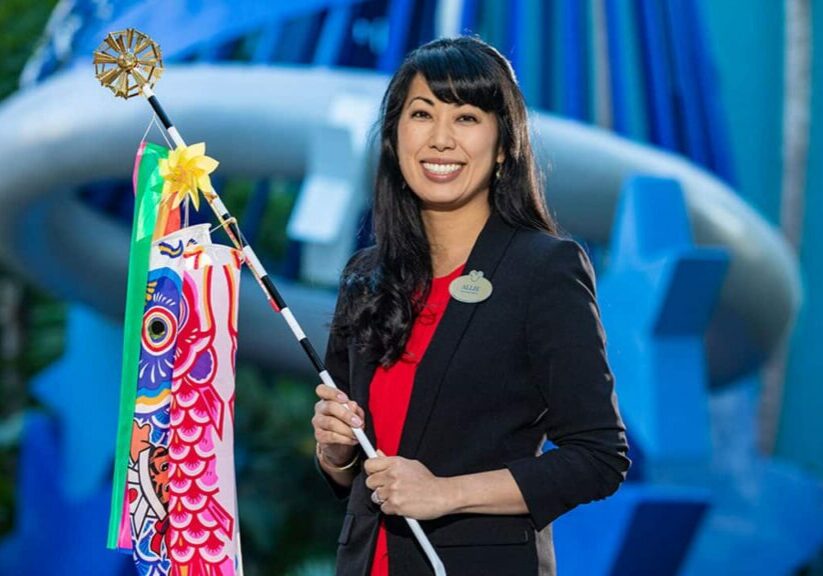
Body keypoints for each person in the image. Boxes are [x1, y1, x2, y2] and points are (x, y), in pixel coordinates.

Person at [311, 36, 629, 576]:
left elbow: (598, 458)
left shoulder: (544, 268)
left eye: (466, 118)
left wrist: (445, 494)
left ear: (504, 144)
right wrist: (336, 453)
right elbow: (357, 474)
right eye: (421, 113)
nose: (440, 139)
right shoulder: (366, 276)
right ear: (394, 135)